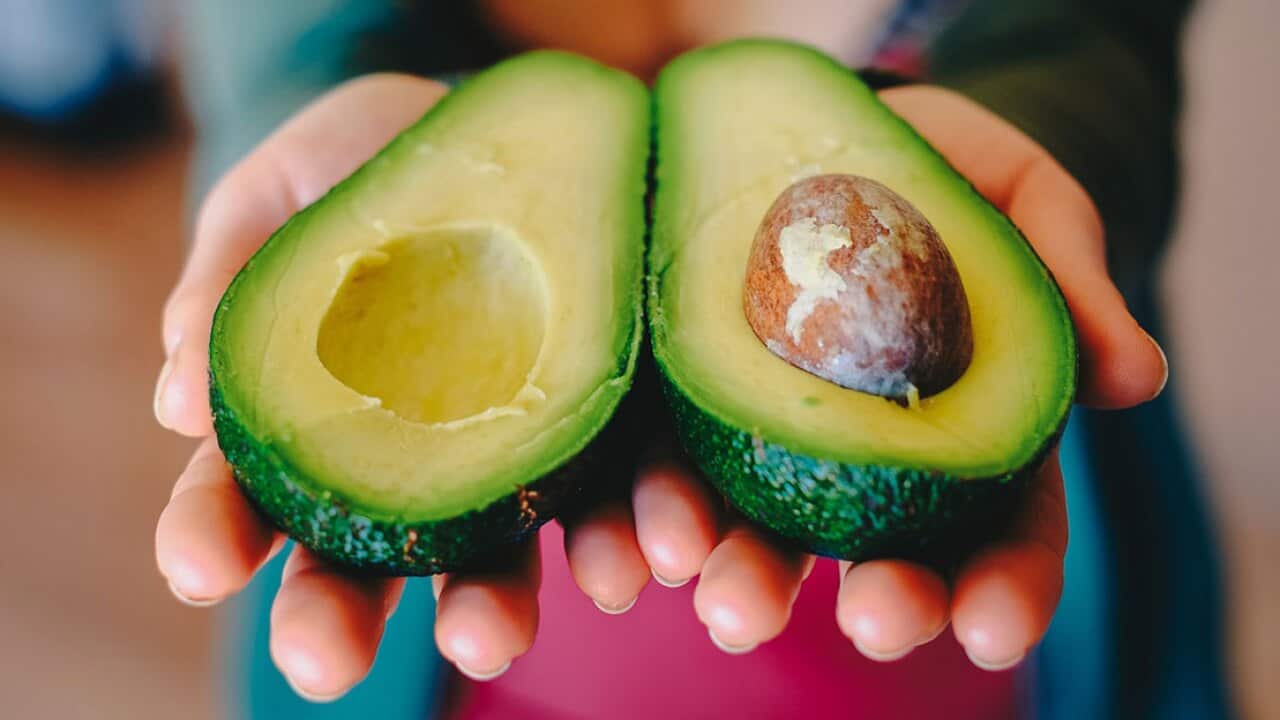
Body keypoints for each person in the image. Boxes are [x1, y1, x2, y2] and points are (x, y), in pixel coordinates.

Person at [155, 1, 1231, 718]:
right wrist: (308, 98)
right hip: (481, 644)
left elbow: (1091, 29)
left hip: (977, 639)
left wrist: (1043, 124)